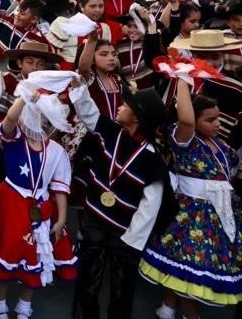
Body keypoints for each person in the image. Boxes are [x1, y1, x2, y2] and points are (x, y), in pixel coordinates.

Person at [0, 79, 77, 319]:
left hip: (41, 207)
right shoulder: (14, 140)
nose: (37, 122)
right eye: (34, 116)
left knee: (37, 255)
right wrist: (25, 96)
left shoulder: (57, 152)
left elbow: (61, 189)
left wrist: (61, 219)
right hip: (10, 204)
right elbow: (8, 120)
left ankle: (24, 305)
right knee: (6, 251)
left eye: (43, 118)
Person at [140, 79, 242, 317]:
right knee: (189, 269)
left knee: (185, 271)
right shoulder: (186, 141)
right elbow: (185, 119)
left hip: (220, 217)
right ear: (193, 120)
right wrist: (183, 79)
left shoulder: (222, 147)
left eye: (218, 118)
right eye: (210, 120)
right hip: (192, 216)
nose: (217, 124)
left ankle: (167, 307)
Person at [69, 83, 168, 319]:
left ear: (137, 117)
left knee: (121, 293)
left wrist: (130, 241)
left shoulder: (152, 159)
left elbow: (149, 206)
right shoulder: (110, 131)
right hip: (94, 221)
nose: (120, 107)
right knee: (87, 288)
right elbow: (88, 112)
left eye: (126, 105)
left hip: (124, 235)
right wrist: (78, 89)